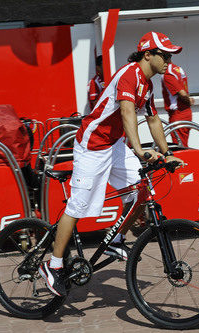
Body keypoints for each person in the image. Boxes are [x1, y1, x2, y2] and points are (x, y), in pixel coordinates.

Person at [39, 31, 185, 297]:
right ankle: (54, 265)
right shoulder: (130, 75)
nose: (169, 61)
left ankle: (114, 240)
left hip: (115, 145)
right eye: (165, 55)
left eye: (170, 56)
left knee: (141, 190)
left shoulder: (148, 85)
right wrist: (140, 150)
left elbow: (153, 120)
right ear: (147, 54)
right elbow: (128, 110)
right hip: (92, 146)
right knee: (78, 206)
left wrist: (167, 152)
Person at [161, 61, 195, 146]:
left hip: (178, 113)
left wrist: (188, 100)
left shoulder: (168, 73)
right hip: (185, 111)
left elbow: (182, 93)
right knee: (183, 144)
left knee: (180, 146)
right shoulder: (177, 69)